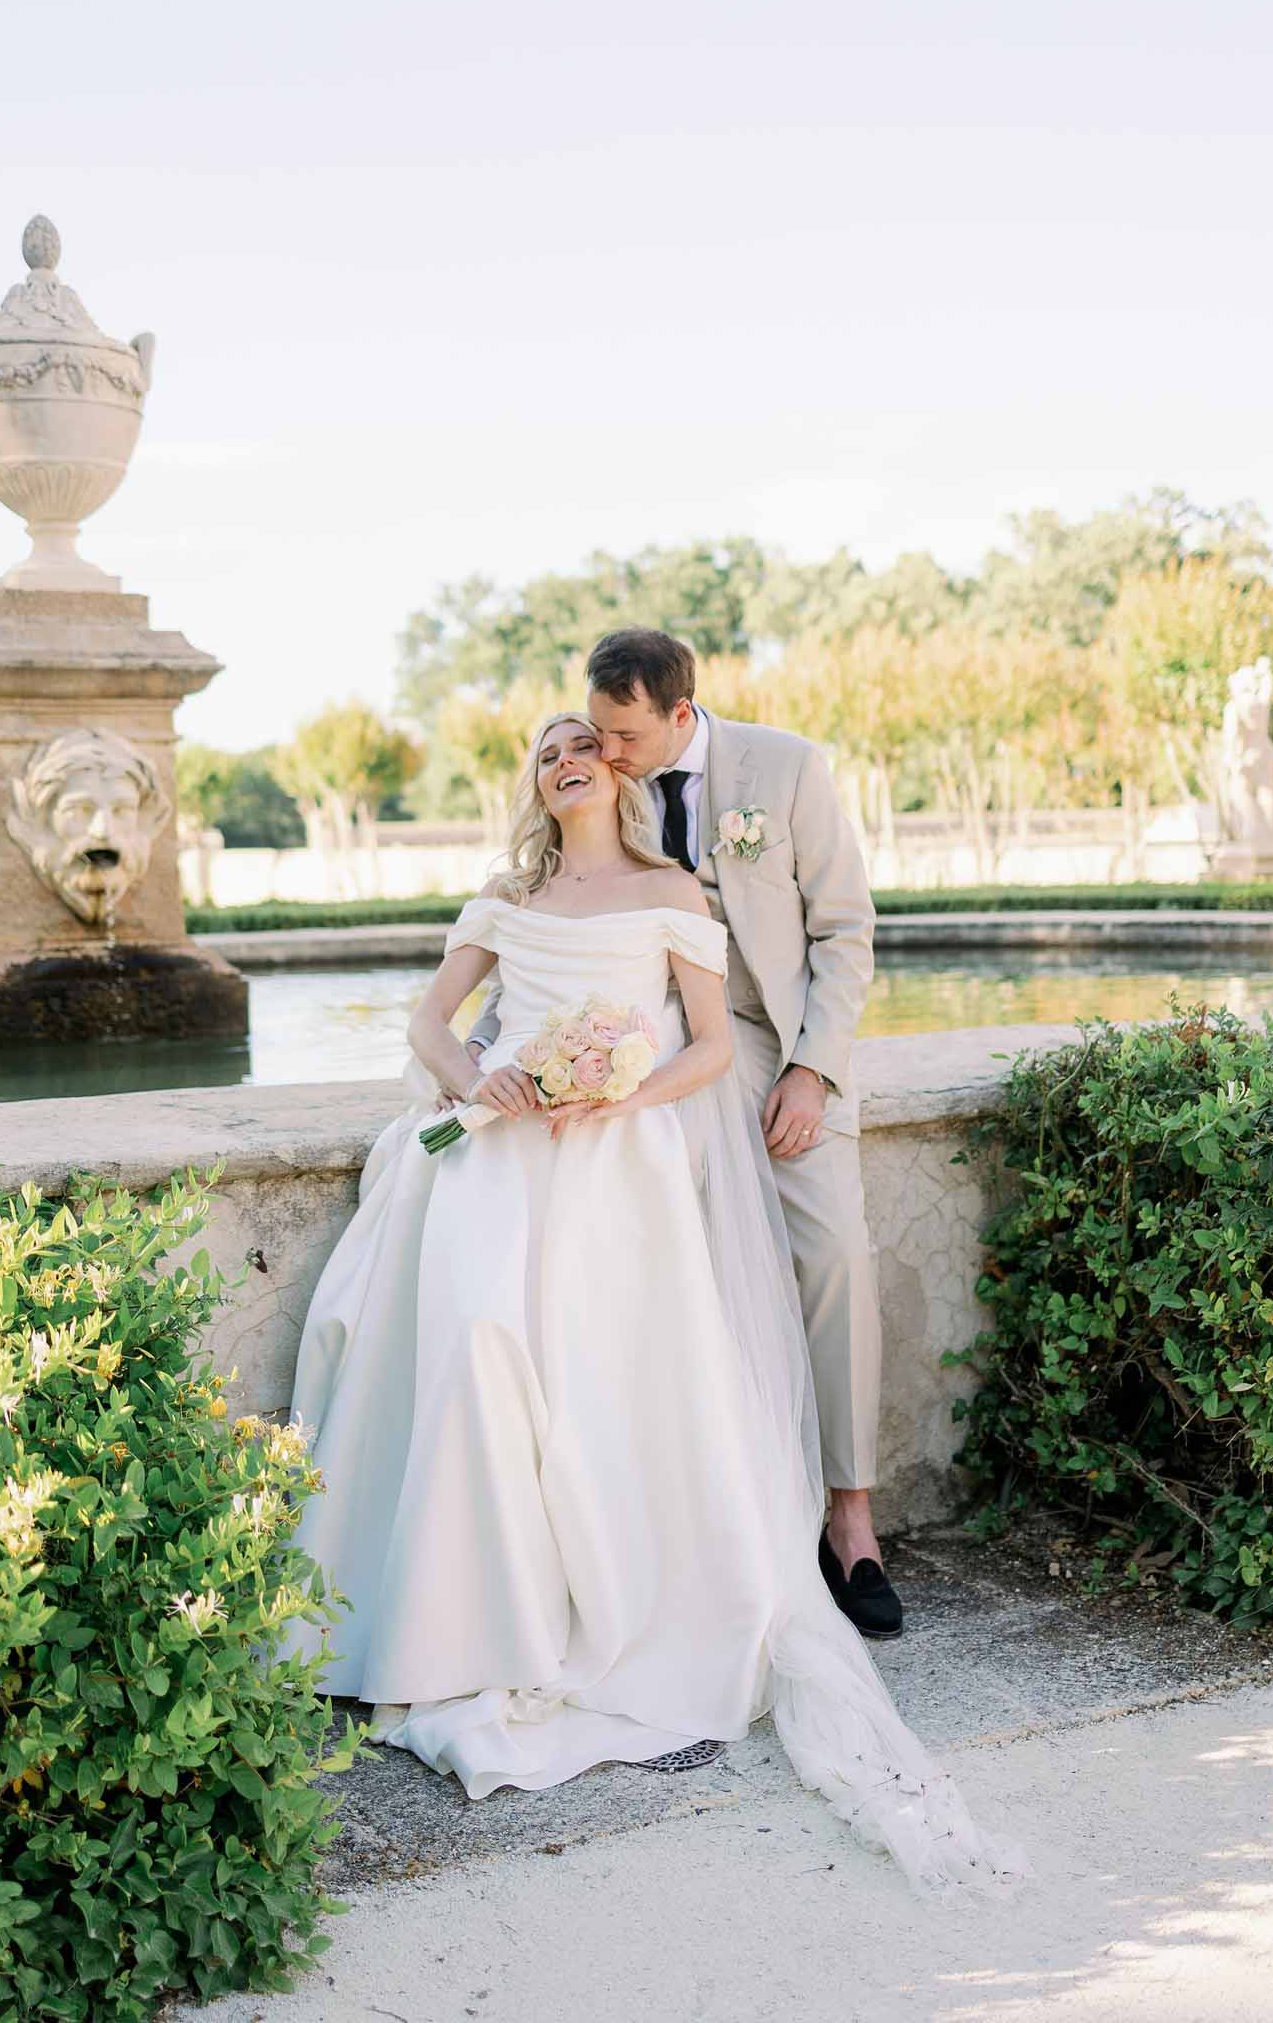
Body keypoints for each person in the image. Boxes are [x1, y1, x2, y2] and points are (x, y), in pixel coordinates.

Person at [283, 712, 1018, 1887]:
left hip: (616, 1154)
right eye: (545, 747)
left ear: (616, 769)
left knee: (595, 1374)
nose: (566, 754)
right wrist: (485, 1075)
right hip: (495, 1145)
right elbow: (431, 1022)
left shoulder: (675, 887)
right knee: (476, 1333)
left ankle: (592, 1615)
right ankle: (459, 1618)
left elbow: (715, 1051)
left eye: (585, 742)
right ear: (535, 778)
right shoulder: (505, 889)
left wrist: (622, 1093)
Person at [467, 628, 899, 1638]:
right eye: (595, 730)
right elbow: (547, 929)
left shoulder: (784, 768)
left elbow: (844, 929)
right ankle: (693, 1523)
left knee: (832, 1251)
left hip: (766, 1039)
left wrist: (811, 1068)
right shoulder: (591, 781)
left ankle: (852, 1523)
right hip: (636, 1046)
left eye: (623, 733)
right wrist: (495, 1056)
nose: (605, 753)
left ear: (679, 713)